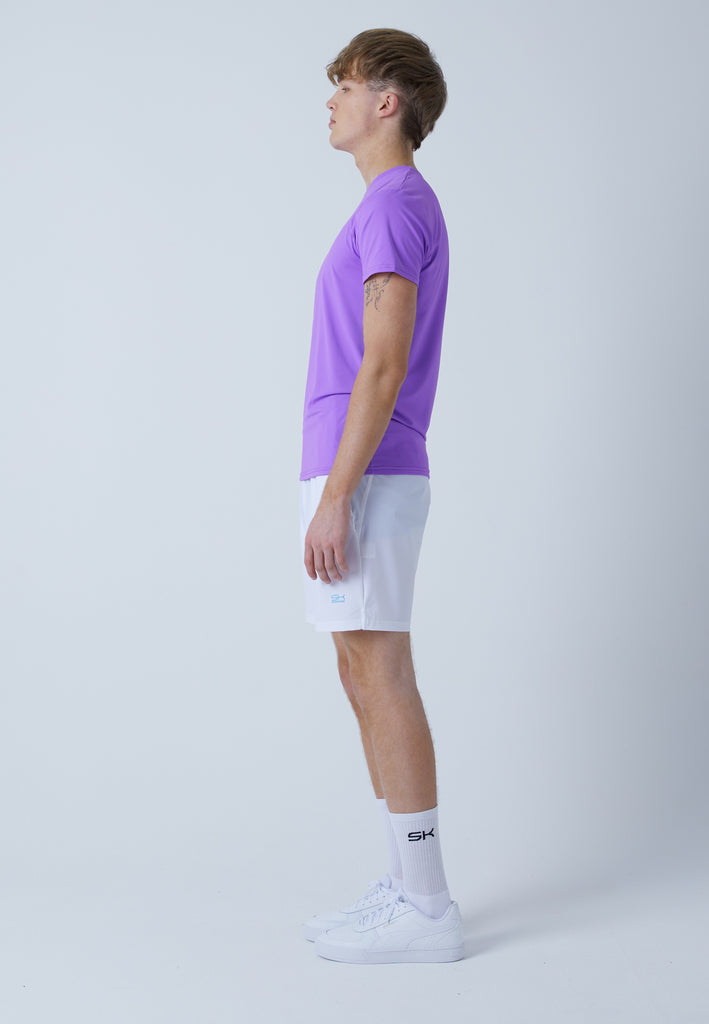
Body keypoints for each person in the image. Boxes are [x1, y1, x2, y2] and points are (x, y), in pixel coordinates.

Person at [299, 28, 464, 964]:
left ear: (386, 101)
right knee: (356, 666)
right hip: (352, 465)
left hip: (367, 467)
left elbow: (384, 361)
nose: (331, 102)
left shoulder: (396, 202)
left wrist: (338, 494)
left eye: (345, 85)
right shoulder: (381, 204)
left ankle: (427, 905)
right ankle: (404, 883)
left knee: (381, 667)